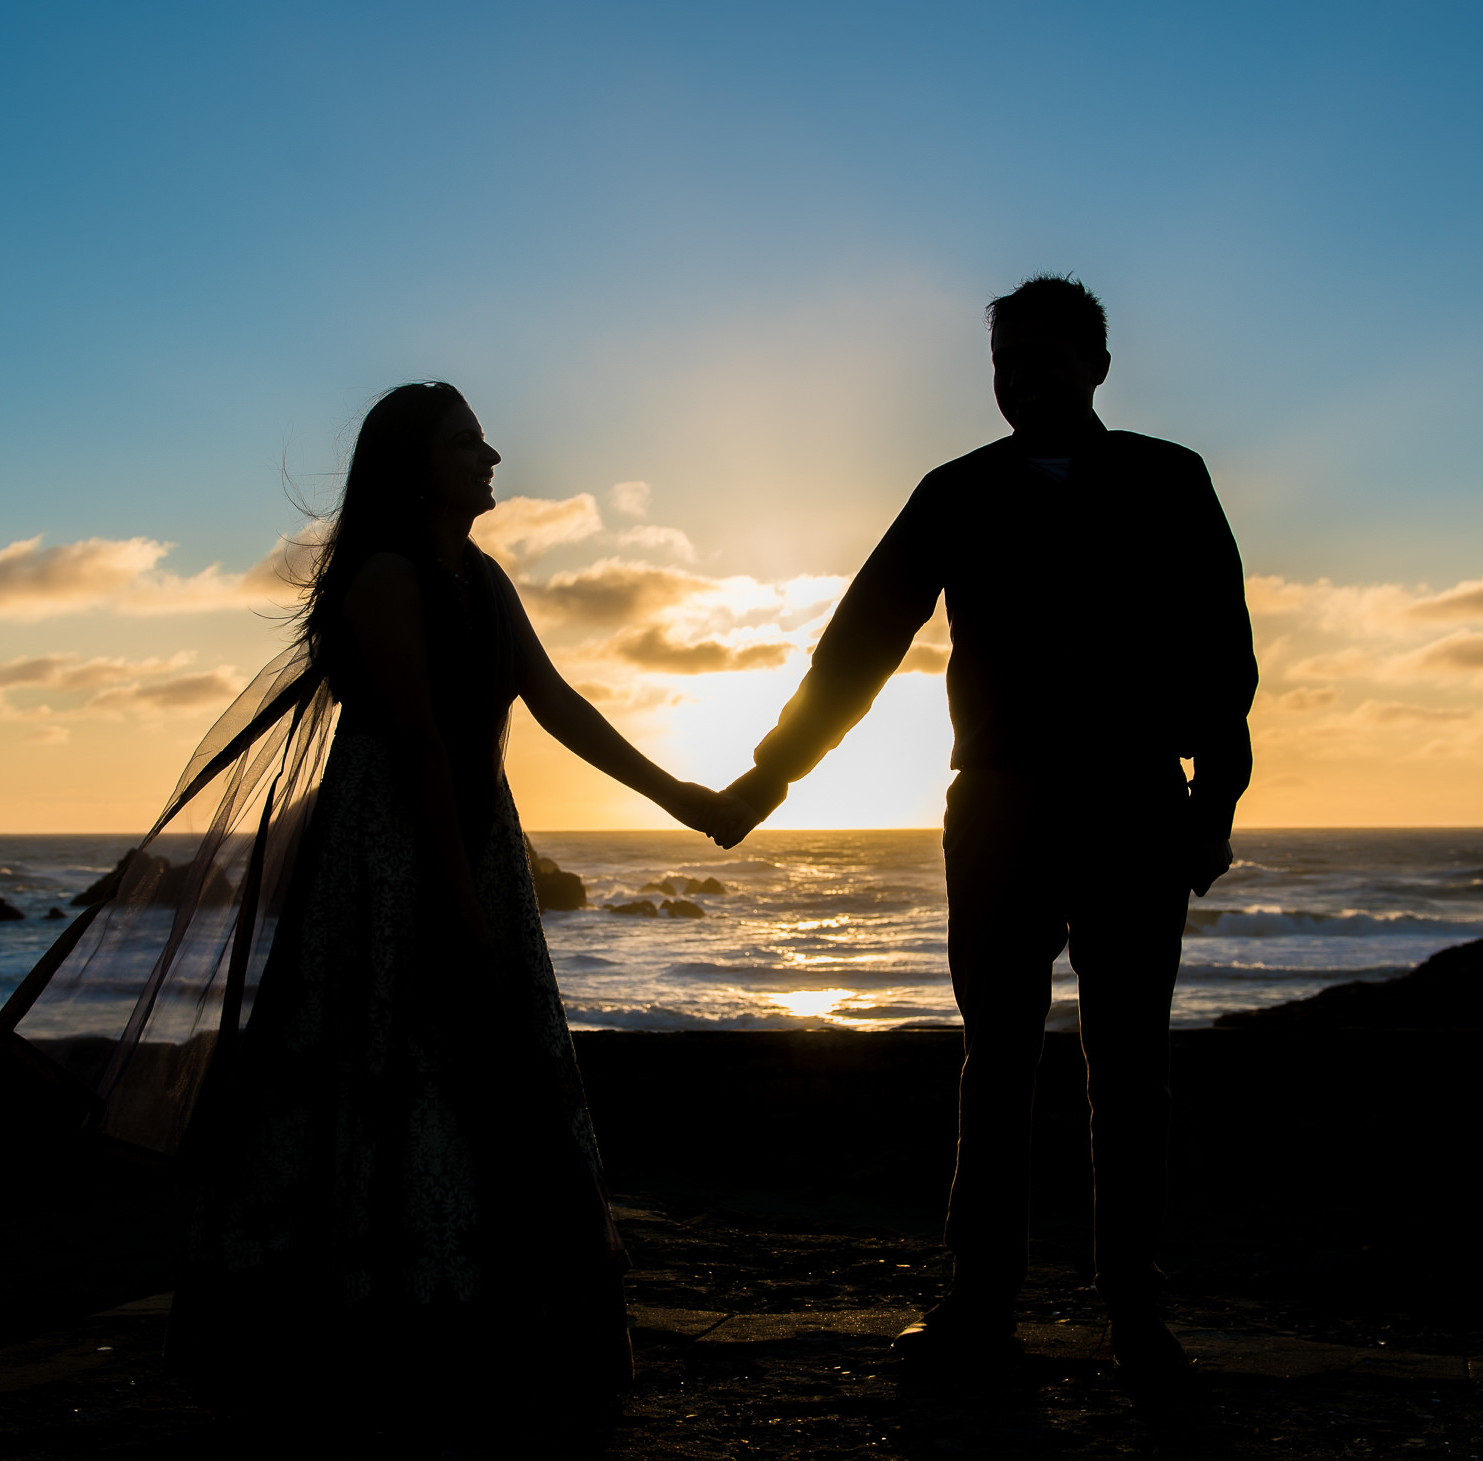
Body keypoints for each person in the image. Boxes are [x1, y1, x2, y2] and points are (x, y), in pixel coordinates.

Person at [168, 382, 742, 1446]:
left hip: (471, 834)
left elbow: (558, 703)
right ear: (415, 468)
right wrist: (460, 898)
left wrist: (689, 801)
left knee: (486, 1061)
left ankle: (484, 1310)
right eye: (465, 442)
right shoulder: (383, 580)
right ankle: (390, 1322)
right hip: (394, 855)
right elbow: (419, 745)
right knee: (400, 1054)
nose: (490, 454)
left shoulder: (481, 577)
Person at [713, 276, 1257, 1385]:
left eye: (1048, 356)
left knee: (1131, 1062)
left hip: (1133, 799)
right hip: (1000, 803)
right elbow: (858, 644)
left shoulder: (1168, 478)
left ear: (1097, 364)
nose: (1025, 377)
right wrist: (771, 774)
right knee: (994, 1057)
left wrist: (1214, 805)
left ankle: (1134, 1305)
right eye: (1007, 359)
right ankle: (979, 1297)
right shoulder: (954, 491)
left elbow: (1222, 658)